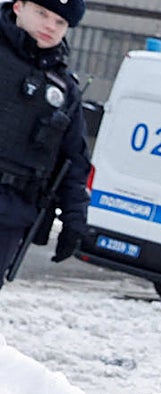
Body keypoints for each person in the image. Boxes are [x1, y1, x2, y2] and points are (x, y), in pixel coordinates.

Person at [0, 0, 89, 288]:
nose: (50, 26)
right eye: (42, 13)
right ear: (18, 7)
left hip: (11, 213)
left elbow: (73, 159)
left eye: (60, 22)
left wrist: (75, 219)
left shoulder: (64, 88)